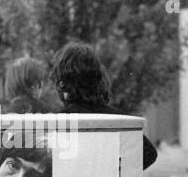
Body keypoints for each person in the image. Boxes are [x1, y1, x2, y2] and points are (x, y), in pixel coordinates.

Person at [51, 41, 158, 170]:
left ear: (62, 84)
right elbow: (149, 153)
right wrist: (115, 170)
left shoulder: (57, 123)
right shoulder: (117, 120)